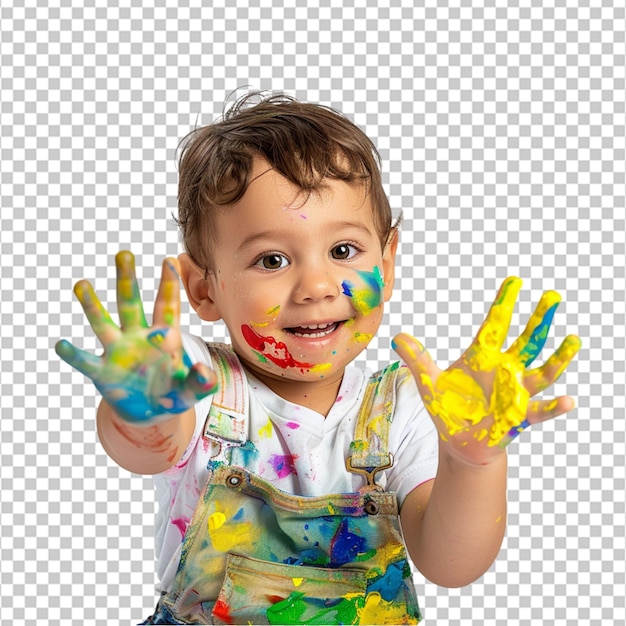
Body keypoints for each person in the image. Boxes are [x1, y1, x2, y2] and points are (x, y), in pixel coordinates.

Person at [56, 93, 581, 625]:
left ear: (388, 261)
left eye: (344, 251)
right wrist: (144, 409)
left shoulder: (401, 408)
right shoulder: (198, 381)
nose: (317, 286)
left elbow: (450, 564)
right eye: (273, 259)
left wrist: (473, 463)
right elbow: (147, 450)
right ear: (204, 287)